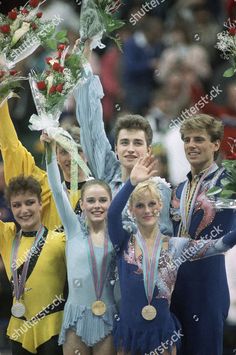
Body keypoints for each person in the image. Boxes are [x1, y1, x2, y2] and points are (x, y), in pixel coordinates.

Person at [107, 153, 236, 355]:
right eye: (140, 205)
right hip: (129, 333)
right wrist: (131, 183)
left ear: (160, 206)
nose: (147, 210)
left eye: (151, 204)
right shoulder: (123, 242)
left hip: (163, 335)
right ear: (131, 210)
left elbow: (219, 245)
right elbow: (112, 214)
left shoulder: (176, 246)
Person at [74, 62, 173, 237]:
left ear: (148, 149)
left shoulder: (160, 189)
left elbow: (163, 236)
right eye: (125, 142)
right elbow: (92, 129)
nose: (130, 149)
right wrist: (84, 67)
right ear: (116, 148)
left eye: (137, 143)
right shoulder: (107, 175)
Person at [42, 134, 117, 355]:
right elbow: (56, 187)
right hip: (76, 317)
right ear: (81, 203)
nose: (96, 205)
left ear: (111, 203)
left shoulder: (118, 234)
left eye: (103, 200)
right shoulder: (73, 229)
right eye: (91, 200)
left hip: (108, 317)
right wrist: (49, 149)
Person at [170, 114, 236, 355]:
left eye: (199, 139)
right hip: (176, 287)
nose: (191, 145)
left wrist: (223, 243)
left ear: (216, 144)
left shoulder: (228, 182)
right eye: (187, 140)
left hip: (208, 285)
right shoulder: (178, 188)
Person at [0, 175, 66, 354]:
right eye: (17, 205)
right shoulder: (7, 237)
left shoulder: (61, 239)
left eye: (29, 202)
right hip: (19, 330)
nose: (24, 210)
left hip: (53, 329)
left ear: (40, 204)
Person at [0, 102, 88, 231]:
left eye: (77, 151)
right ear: (56, 157)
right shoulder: (44, 188)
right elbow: (11, 148)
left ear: (88, 154)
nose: (71, 158)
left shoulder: (100, 192)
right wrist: (2, 103)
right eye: (64, 152)